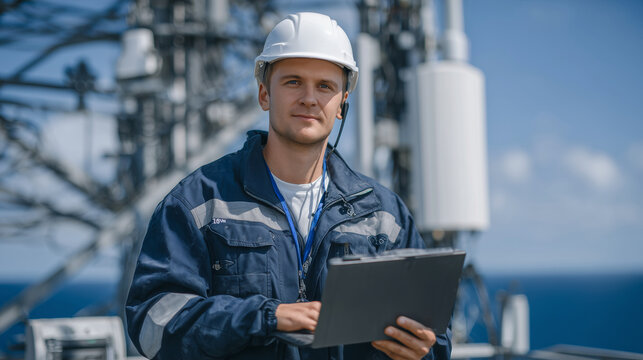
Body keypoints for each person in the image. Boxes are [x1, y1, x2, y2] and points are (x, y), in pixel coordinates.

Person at [126, 12, 452, 360]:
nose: (309, 98)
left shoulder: (386, 217)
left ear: (342, 104)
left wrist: (423, 350)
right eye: (293, 82)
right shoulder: (199, 202)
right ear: (264, 94)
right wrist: (267, 317)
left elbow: (437, 338)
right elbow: (151, 325)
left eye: (325, 86)